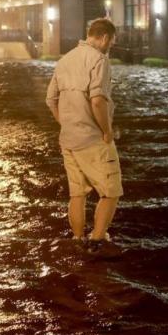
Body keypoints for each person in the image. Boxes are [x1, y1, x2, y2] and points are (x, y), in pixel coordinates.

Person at [45, 18, 123, 252]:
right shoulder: (99, 60)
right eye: (112, 42)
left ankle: (78, 239)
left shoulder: (64, 60)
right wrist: (107, 132)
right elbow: (98, 101)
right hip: (92, 139)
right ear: (105, 38)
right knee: (111, 191)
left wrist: (66, 123)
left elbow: (50, 100)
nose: (110, 47)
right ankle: (98, 240)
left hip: (68, 139)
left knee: (77, 194)